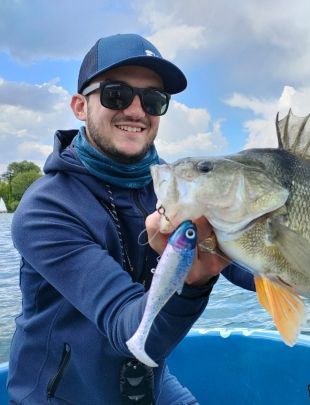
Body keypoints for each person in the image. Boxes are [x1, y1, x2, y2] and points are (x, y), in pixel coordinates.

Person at [7, 33, 255, 404]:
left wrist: (299, 257)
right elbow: (130, 330)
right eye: (116, 95)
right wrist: (193, 281)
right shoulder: (45, 210)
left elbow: (252, 268)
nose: (137, 111)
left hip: (149, 387)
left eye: (154, 100)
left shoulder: (178, 188)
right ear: (79, 105)